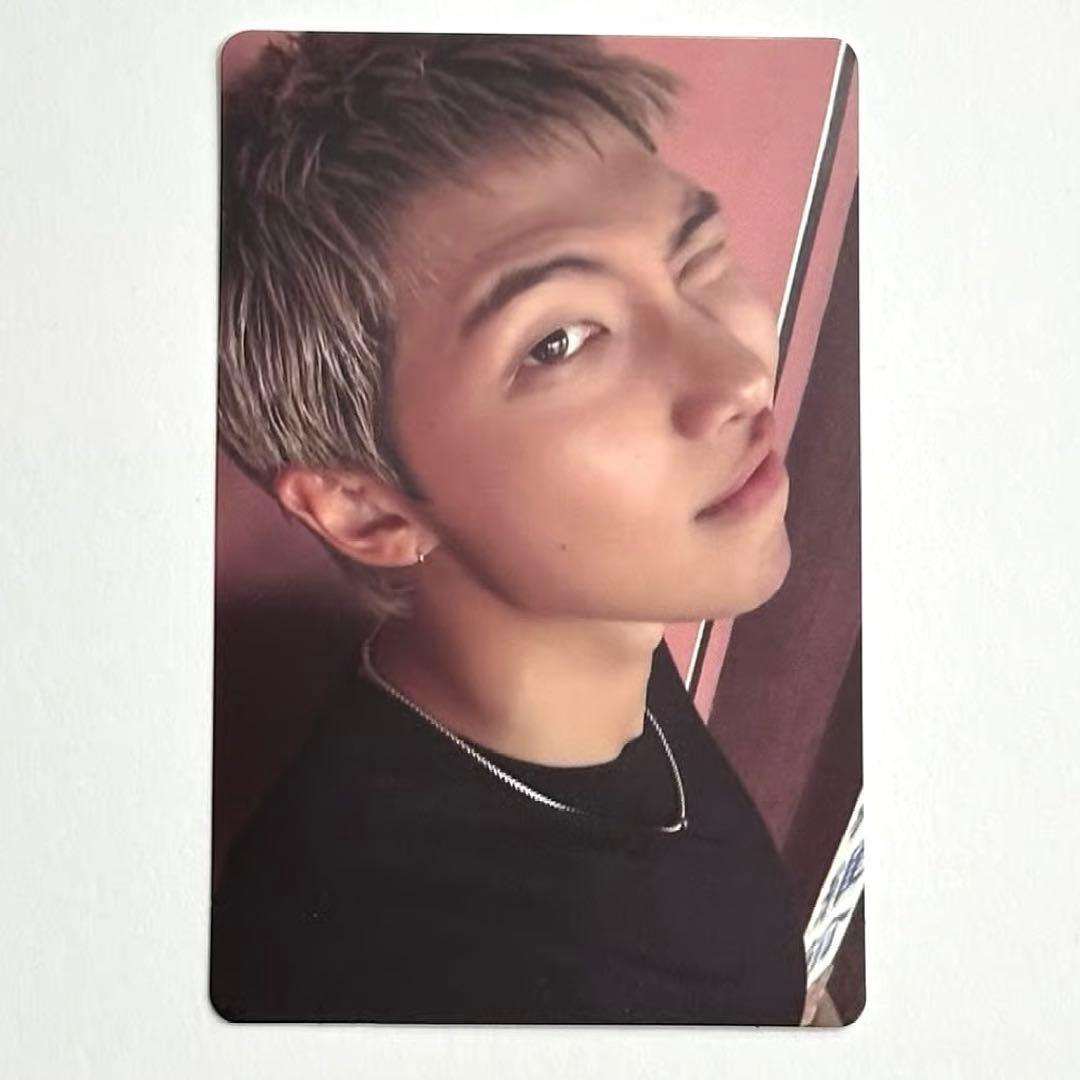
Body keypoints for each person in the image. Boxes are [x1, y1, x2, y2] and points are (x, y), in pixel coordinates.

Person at [211, 31, 818, 1025]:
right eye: (561, 341)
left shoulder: (606, 623)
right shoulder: (391, 988)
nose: (739, 377)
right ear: (367, 506)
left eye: (695, 259)